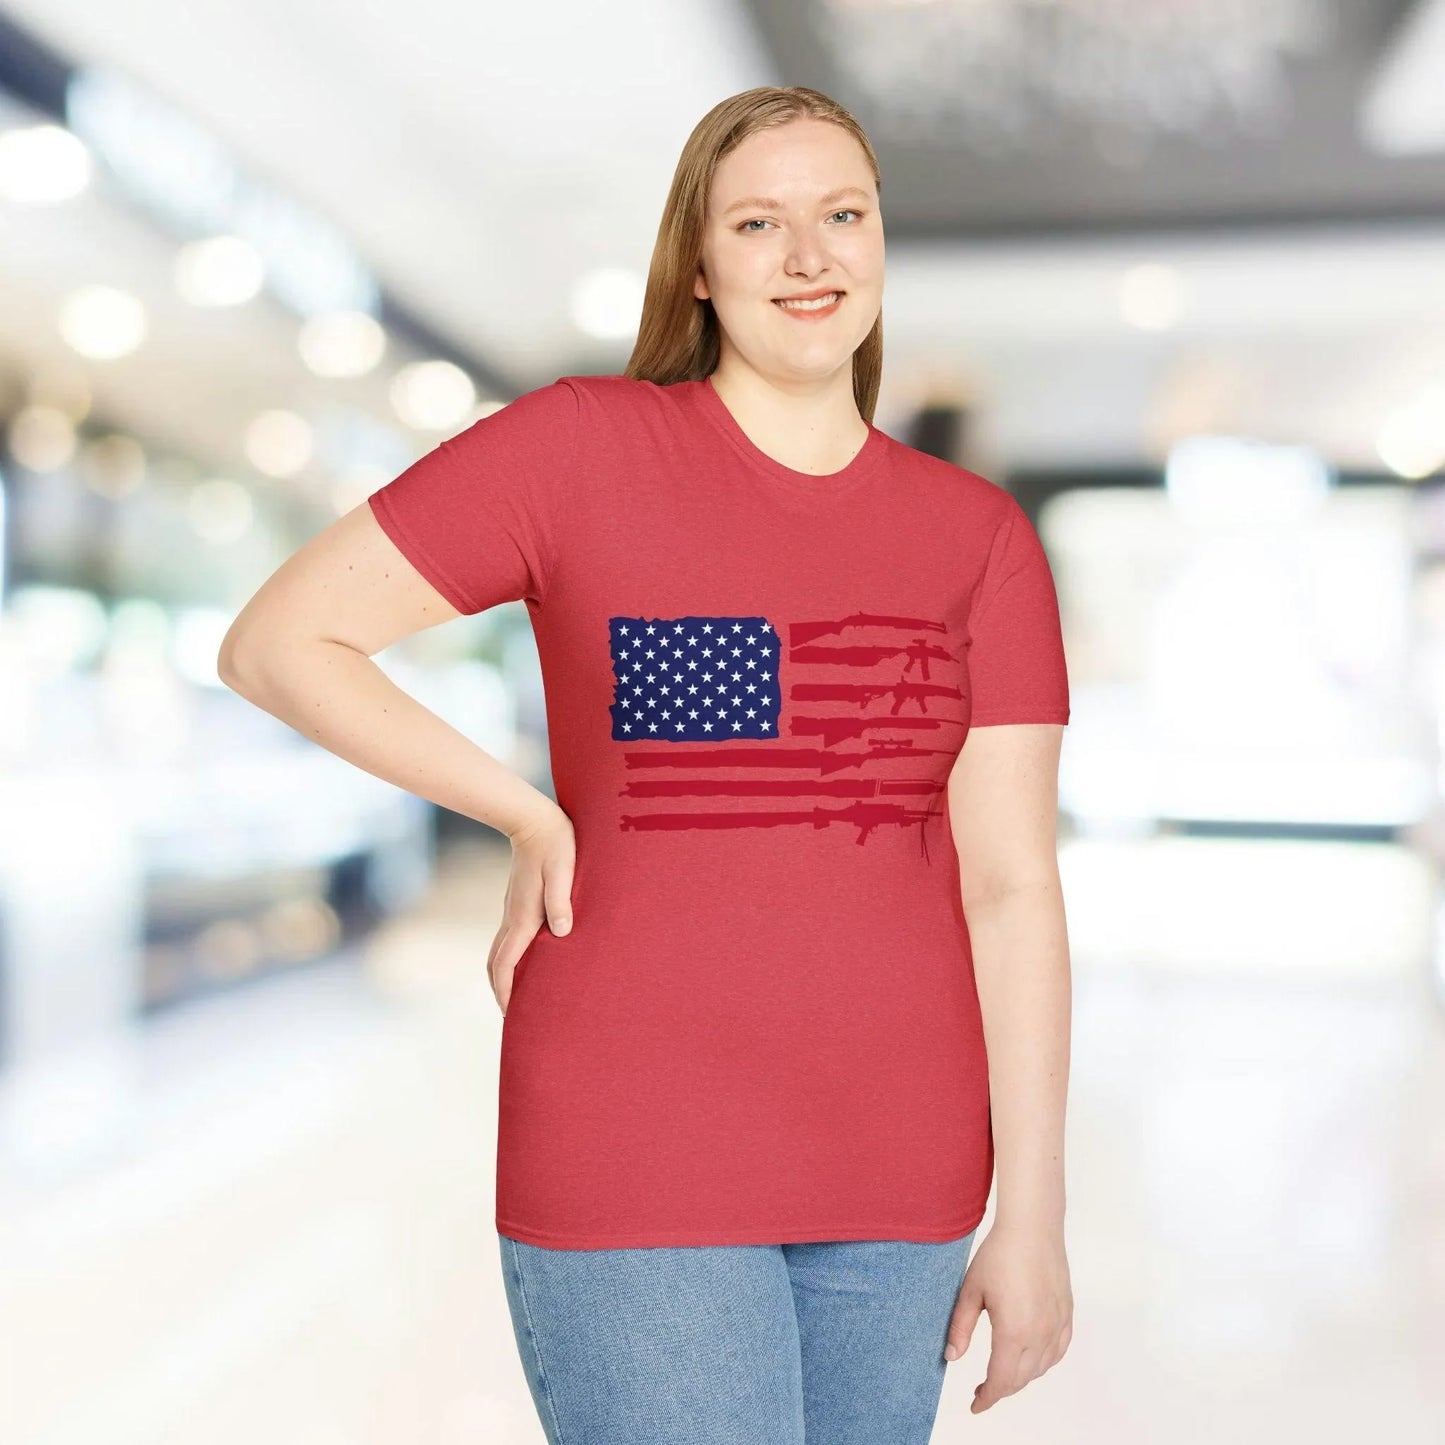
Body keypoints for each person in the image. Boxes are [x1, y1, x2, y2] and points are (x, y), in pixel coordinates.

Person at [219, 83, 1073, 1444]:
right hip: (636, 1145)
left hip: (900, 1170)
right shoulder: (580, 450)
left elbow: (1011, 888)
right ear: (700, 266)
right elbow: (280, 640)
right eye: (759, 222)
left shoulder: (977, 538)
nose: (808, 255)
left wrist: (1033, 1214)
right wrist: (524, 812)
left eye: (842, 214)